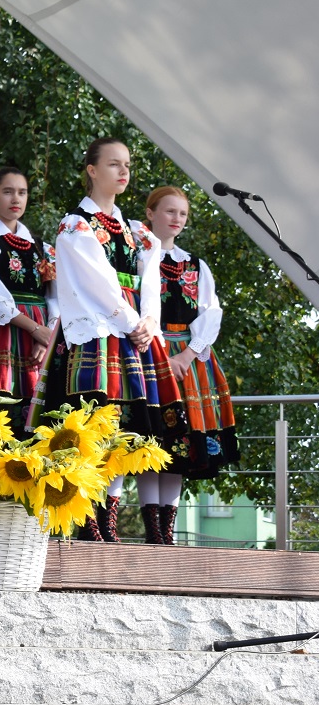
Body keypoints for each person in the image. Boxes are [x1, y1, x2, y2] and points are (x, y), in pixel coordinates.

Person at [36, 138, 188, 542]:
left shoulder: (138, 231)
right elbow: (97, 282)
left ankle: (109, 519)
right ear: (92, 170)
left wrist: (149, 320)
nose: (123, 172)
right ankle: (87, 519)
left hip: (131, 335)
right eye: (114, 164)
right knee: (91, 426)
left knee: (125, 428)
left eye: (127, 165)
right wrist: (134, 321)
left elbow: (150, 280)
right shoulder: (76, 225)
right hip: (98, 333)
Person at [134, 185, 239, 543]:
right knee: (152, 441)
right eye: (169, 211)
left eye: (182, 213)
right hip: (149, 350)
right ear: (150, 213)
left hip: (188, 358)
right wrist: (163, 352)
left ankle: (167, 533)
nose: (176, 219)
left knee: (180, 443)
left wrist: (188, 353)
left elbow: (211, 313)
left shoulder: (195, 265)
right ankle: (153, 531)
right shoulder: (138, 257)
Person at [0, 167, 57, 414]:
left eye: (22, 192)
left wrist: (47, 336)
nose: (15, 199)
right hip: (1, 329)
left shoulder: (42, 248)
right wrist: (34, 328)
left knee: (38, 410)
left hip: (39, 334)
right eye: (7, 192)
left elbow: (55, 297)